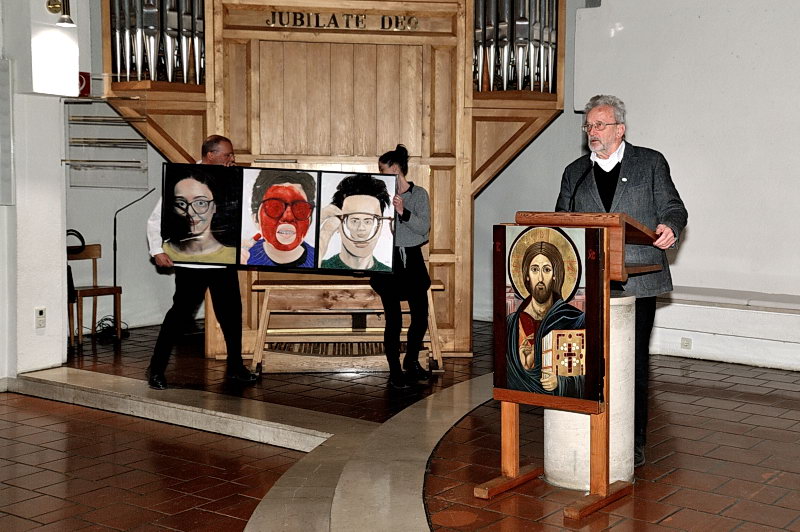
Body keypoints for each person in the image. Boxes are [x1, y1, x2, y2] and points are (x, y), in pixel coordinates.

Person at [555, 94, 688, 467]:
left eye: (600, 125)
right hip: (589, 280)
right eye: (588, 125)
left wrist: (670, 226)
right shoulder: (576, 171)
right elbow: (561, 218)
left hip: (638, 278)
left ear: (620, 129)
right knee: (588, 360)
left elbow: (674, 207)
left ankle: (633, 440)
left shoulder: (650, 162)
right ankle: (589, 430)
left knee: (632, 363)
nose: (592, 132)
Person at [145, 135, 257, 390]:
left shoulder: (231, 178)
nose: (231, 159)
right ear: (211, 155)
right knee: (179, 316)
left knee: (231, 316)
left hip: (222, 263)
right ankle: (156, 369)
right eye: (227, 155)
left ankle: (236, 368)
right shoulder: (183, 178)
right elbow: (156, 218)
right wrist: (156, 250)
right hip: (191, 264)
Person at [370, 145, 432, 389]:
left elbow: (423, 228)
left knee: (420, 317)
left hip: (413, 261)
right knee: (393, 321)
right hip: (388, 262)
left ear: (395, 169)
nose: (380, 173)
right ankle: (394, 370)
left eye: (383, 169)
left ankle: (411, 361)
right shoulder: (379, 195)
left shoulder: (419, 194)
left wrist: (402, 211)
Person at [506, 241, 585, 397]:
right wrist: (524, 365)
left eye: (547, 270)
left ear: (555, 275)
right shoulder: (511, 324)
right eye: (535, 270)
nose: (540, 278)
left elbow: (586, 372)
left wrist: (560, 381)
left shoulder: (572, 319)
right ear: (526, 275)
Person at [319, 173, 393, 272]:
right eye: (354, 221)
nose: (361, 229)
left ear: (381, 225)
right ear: (338, 223)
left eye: (368, 221)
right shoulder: (320, 266)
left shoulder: (389, 272)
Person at [242, 170, 316, 267]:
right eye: (274, 207)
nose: (288, 217)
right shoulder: (244, 257)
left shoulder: (318, 260)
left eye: (300, 208)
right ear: (256, 219)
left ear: (310, 219)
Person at [162, 170, 237, 264]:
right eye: (181, 204)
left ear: (214, 206)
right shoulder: (163, 253)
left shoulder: (235, 256)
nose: (190, 212)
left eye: (200, 203)